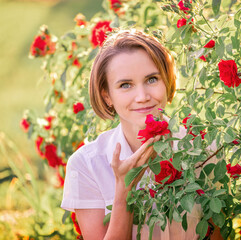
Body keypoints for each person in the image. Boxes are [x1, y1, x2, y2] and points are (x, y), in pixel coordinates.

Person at [61, 30, 212, 240]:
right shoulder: (86, 165)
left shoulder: (202, 149)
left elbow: (214, 233)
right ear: (107, 96)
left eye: (151, 79)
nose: (142, 97)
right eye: (125, 85)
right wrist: (124, 191)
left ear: (167, 81)